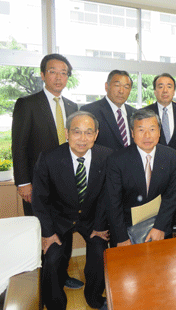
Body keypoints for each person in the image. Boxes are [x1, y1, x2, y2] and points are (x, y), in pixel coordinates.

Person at [11, 53, 82, 289]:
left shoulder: (73, 106)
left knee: (67, 232)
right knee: (40, 233)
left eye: (64, 73)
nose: (59, 77)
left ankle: (62, 276)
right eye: (53, 71)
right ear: (43, 75)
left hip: (66, 184)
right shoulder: (27, 104)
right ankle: (42, 283)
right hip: (37, 185)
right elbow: (18, 145)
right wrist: (23, 183)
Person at [32, 111, 112, 310]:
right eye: (77, 132)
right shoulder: (49, 158)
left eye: (88, 132)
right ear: (67, 133)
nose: (82, 139)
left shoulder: (107, 156)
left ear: (96, 134)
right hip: (59, 218)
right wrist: (48, 233)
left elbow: (107, 195)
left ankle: (94, 297)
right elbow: (40, 200)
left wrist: (100, 225)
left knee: (99, 251)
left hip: (92, 218)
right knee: (52, 257)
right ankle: (55, 304)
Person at [106, 109, 176, 246]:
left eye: (152, 129)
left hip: (160, 225)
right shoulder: (116, 160)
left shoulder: (172, 157)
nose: (147, 135)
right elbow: (113, 203)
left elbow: (172, 196)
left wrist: (160, 227)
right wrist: (122, 238)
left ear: (159, 132)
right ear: (133, 133)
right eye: (141, 130)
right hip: (126, 229)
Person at [144, 73, 176, 167]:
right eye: (160, 86)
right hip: (152, 169)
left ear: (174, 91)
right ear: (155, 91)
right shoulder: (144, 113)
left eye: (169, 87)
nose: (165, 91)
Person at [80, 70, 137, 150]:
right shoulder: (89, 111)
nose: (121, 91)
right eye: (117, 85)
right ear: (106, 86)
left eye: (126, 87)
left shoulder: (135, 113)